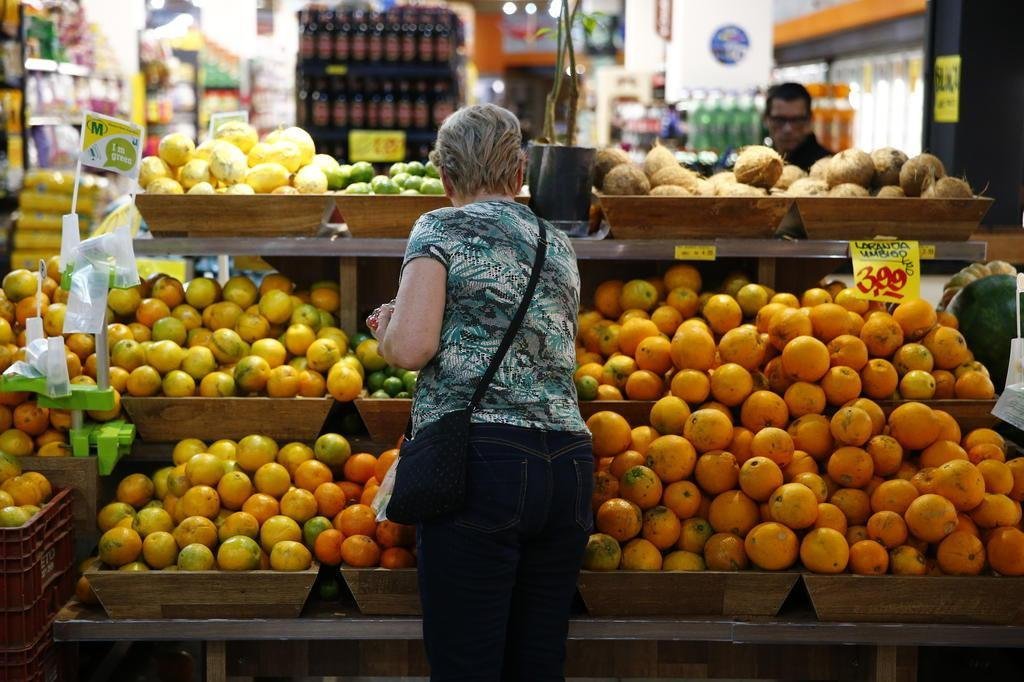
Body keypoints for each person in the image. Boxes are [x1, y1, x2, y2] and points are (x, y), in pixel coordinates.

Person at [369, 103, 593, 681]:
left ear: (445, 177)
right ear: (520, 173)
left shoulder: (440, 227)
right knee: (538, 663)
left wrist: (385, 334)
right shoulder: (557, 242)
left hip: (482, 466)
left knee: (467, 665)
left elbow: (414, 346)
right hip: (569, 465)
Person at [765, 82, 832, 171]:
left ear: (810, 121)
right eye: (779, 119)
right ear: (766, 119)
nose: (787, 129)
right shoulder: (761, 163)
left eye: (797, 120)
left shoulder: (828, 167)